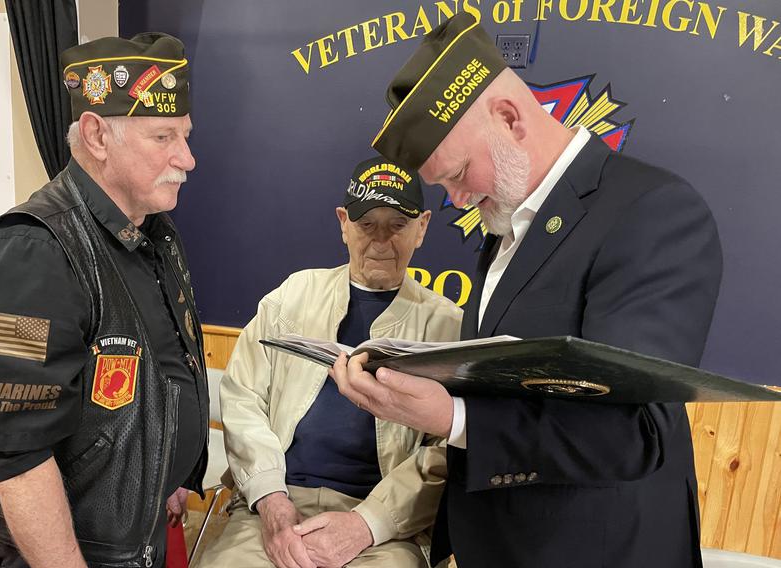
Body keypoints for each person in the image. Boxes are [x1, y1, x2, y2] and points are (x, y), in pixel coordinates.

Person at [331, 13, 722, 568]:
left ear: (510, 118)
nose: (457, 201)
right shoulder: (508, 221)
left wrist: (453, 418)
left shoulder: (651, 213)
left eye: (459, 172)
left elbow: (636, 431)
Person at [0, 33, 207, 568]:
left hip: (138, 539)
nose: (187, 157)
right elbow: (16, 451)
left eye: (184, 136)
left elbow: (153, 374)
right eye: (164, 136)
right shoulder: (24, 253)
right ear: (95, 135)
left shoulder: (153, 231)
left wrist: (165, 473)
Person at [196, 157, 461, 568]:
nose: (380, 240)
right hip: (274, 503)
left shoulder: (445, 327)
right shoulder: (292, 296)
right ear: (343, 222)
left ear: (422, 227)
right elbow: (242, 398)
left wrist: (366, 524)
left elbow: (443, 452)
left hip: (384, 526)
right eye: (366, 224)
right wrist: (270, 500)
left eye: (397, 225)